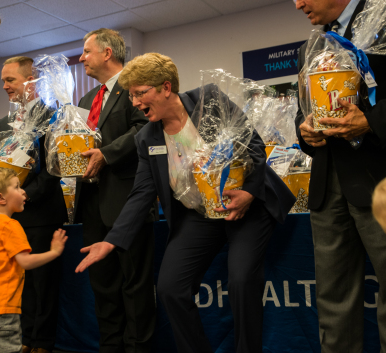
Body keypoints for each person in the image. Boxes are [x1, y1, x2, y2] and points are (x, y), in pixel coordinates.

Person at [76, 53, 296, 353]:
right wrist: (111, 241)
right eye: (131, 96)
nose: (136, 103)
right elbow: (141, 194)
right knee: (170, 289)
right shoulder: (146, 138)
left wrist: (248, 193)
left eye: (141, 94)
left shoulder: (209, 101)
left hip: (245, 205)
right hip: (199, 214)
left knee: (242, 281)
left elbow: (253, 145)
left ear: (166, 88)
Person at [295, 0, 386, 351]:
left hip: (378, 181)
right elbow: (303, 109)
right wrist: (305, 132)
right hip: (327, 186)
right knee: (332, 302)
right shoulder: (311, 47)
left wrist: (371, 121)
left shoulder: (381, 19)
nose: (299, 4)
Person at [75, 28, 157, 353]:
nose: (81, 58)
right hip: (92, 204)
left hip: (128, 204)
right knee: (103, 287)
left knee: (135, 288)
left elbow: (146, 127)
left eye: (86, 51)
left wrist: (107, 154)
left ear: (107, 53)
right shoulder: (84, 100)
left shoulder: (134, 88)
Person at [0, 56, 67, 353]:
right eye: (3, 81)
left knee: (43, 285)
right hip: (14, 217)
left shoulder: (54, 116)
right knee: (20, 282)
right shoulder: (3, 123)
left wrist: (23, 197)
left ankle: (43, 343)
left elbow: (54, 168)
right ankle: (25, 339)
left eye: (10, 80)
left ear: (31, 81)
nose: (4, 86)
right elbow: (1, 168)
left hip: (42, 213)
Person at [0, 167, 67, 353]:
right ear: (0, 198)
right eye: (17, 187)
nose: (23, 191)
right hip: (3, 309)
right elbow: (25, 262)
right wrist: (54, 252)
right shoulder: (10, 225)